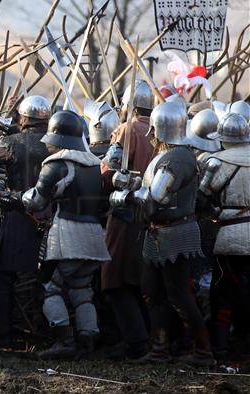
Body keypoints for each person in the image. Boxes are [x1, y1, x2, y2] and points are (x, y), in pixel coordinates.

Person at [110, 101, 212, 366]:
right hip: (157, 233)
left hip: (175, 233)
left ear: (162, 128)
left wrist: (124, 196)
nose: (150, 133)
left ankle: (202, 351)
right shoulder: (166, 156)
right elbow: (150, 186)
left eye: (153, 128)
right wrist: (129, 180)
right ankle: (159, 350)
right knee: (152, 292)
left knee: (179, 294)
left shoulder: (176, 158)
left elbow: (154, 196)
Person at [22, 110, 111, 359]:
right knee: (81, 289)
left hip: (68, 234)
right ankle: (87, 338)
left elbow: (38, 202)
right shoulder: (95, 165)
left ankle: (65, 341)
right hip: (94, 235)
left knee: (50, 287)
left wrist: (20, 198)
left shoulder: (56, 165)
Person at [0, 95, 51, 348]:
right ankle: (43, 333)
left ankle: (2, 335)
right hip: (52, 221)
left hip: (17, 218)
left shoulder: (11, 143)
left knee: (2, 277)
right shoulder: (59, 143)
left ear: (23, 118)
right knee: (45, 280)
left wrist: (2, 139)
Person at [99, 82, 155, 360]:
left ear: (129, 106)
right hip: (152, 215)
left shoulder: (127, 129)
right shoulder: (158, 130)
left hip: (126, 213)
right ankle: (143, 339)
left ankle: (135, 342)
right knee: (137, 280)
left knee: (116, 280)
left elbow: (110, 169)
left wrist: (113, 175)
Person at [198, 113, 250, 361]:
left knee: (223, 294)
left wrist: (214, 212)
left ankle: (220, 350)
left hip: (231, 234)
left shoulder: (216, 161)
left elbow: (202, 195)